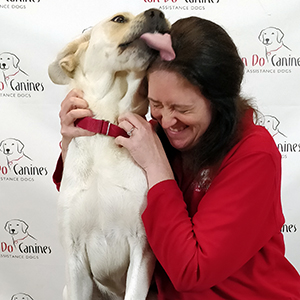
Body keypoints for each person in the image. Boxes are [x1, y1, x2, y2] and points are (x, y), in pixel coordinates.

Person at [53, 17, 300, 299]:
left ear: (218, 102)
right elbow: (98, 213)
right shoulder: (158, 137)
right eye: (156, 104)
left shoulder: (254, 153)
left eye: (181, 108)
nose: (167, 120)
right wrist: (72, 140)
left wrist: (157, 169)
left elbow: (191, 271)